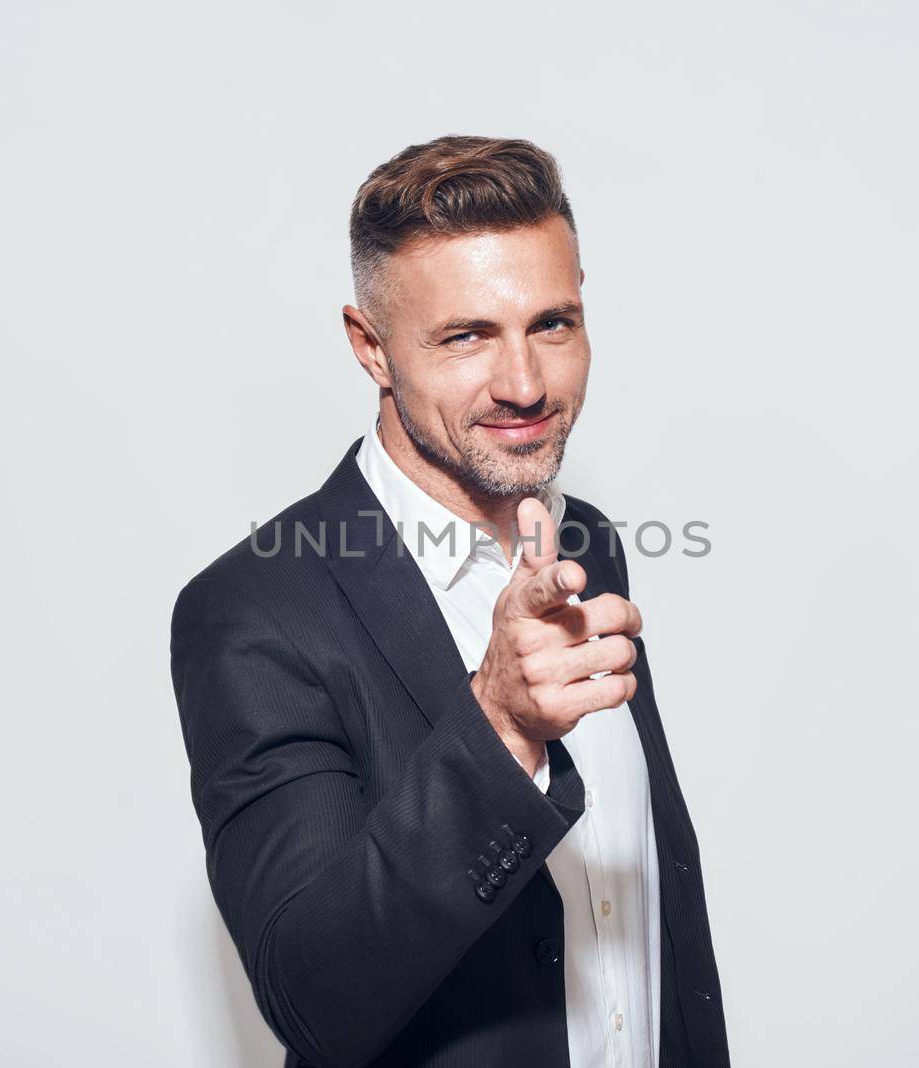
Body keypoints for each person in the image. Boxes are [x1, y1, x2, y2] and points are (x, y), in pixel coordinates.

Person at [170, 135, 729, 1067]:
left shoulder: (584, 540)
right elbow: (313, 1001)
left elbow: (642, 911)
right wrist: (502, 727)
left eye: (552, 323)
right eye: (466, 336)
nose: (524, 385)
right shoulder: (253, 614)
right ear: (371, 348)